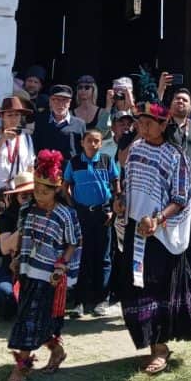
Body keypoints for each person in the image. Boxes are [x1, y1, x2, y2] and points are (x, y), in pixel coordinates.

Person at [116, 101, 191, 375]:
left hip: (160, 235)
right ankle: (150, 344)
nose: (143, 128)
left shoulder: (176, 156)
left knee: (157, 289)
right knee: (137, 287)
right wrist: (121, 202)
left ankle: (160, 348)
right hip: (136, 229)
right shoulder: (135, 149)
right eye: (140, 123)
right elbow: (127, 182)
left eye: (148, 123)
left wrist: (158, 219)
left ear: (162, 125)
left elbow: (181, 198)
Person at [6, 151, 81, 381]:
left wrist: (62, 264)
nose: (39, 194)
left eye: (45, 190)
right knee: (36, 317)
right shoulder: (26, 209)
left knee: (30, 318)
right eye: (37, 188)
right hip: (28, 270)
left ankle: (22, 366)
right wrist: (17, 257)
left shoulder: (65, 214)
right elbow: (23, 236)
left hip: (49, 276)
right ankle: (56, 351)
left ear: (57, 190)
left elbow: (73, 242)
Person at [63, 124, 121, 316]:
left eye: (97, 141)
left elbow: (115, 183)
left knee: (103, 257)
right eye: (89, 141)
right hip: (82, 215)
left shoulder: (106, 160)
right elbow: (66, 186)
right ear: (82, 143)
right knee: (82, 257)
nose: (93, 144)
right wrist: (73, 207)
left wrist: (113, 207)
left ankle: (102, 300)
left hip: (103, 214)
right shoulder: (74, 162)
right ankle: (80, 301)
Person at [0, 171, 35, 321]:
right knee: (4, 294)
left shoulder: (46, 213)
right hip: (10, 268)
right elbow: (4, 248)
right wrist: (24, 225)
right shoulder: (6, 218)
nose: (29, 199)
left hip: (37, 267)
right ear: (16, 198)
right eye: (24, 196)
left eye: (32, 194)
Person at [0, 96, 34, 195]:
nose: (14, 119)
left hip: (19, 190)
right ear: (2, 117)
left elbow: (30, 167)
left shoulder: (27, 138)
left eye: (17, 115)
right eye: (10, 115)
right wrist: (3, 138)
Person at [32, 84, 85, 160]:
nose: (60, 104)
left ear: (69, 102)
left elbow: (83, 150)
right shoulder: (41, 121)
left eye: (64, 100)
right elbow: (35, 146)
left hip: (70, 169)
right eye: (56, 99)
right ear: (50, 101)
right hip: (46, 168)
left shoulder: (79, 124)